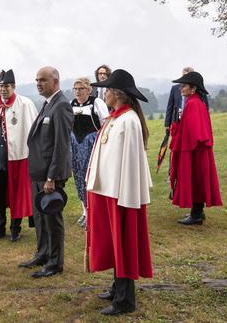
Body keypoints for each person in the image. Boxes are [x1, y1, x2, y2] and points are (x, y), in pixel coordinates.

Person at [85, 69, 153, 316]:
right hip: (109, 190)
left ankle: (125, 300)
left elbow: (130, 164)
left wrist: (126, 195)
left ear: (117, 94)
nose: (103, 95)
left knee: (123, 243)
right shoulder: (116, 118)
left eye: (106, 91)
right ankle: (117, 287)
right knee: (115, 243)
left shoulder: (129, 121)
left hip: (122, 194)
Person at [19, 66, 74, 278]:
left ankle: (55, 262)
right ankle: (42, 253)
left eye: (43, 80)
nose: (38, 84)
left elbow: (61, 145)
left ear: (55, 81)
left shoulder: (61, 106)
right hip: (39, 173)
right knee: (40, 218)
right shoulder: (47, 104)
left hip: (50, 176)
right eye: (36, 80)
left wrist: (51, 177)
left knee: (52, 218)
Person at [0, 69, 38, 242]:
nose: (4, 89)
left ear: (14, 86)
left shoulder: (25, 104)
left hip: (18, 157)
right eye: (1, 86)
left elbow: (33, 131)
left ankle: (15, 228)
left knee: (17, 193)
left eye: (7, 86)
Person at [169, 71, 222, 225]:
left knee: (196, 179)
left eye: (184, 86)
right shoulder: (197, 102)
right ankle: (198, 211)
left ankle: (197, 214)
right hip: (196, 150)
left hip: (194, 151)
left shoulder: (193, 104)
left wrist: (176, 130)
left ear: (193, 89)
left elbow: (193, 132)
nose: (181, 89)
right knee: (197, 179)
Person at [69, 77, 108, 228]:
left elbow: (105, 124)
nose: (78, 92)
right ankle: (85, 211)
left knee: (90, 178)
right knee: (78, 176)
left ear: (89, 90)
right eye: (76, 89)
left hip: (91, 144)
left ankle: (93, 212)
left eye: (81, 89)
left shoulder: (96, 102)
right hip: (75, 145)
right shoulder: (71, 104)